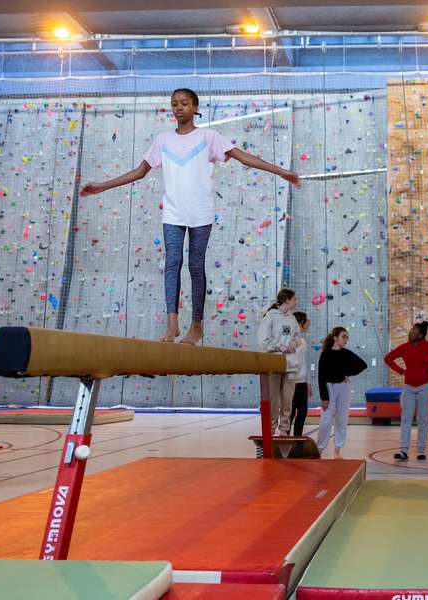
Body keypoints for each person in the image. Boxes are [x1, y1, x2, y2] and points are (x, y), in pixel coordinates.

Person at [80, 88, 301, 344]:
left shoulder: (208, 137)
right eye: (174, 104)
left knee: (196, 265)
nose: (178, 107)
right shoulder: (162, 140)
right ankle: (172, 321)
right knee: (172, 262)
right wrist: (101, 186)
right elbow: (139, 172)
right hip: (173, 211)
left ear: (195, 107)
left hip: (201, 212)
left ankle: (196, 325)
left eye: (184, 103)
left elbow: (244, 158)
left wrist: (282, 171)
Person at [384, 321, 428, 461]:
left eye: (413, 330)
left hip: (425, 387)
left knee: (422, 418)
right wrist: (401, 371)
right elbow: (388, 359)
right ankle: (403, 450)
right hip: (408, 387)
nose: (410, 332)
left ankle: (421, 450)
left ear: (420, 334)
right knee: (406, 418)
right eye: (411, 329)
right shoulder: (404, 347)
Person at [317, 327, 368, 458]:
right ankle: (320, 448)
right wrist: (324, 397)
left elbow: (363, 365)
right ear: (335, 338)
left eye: (347, 337)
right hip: (329, 388)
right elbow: (321, 377)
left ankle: (337, 450)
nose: (346, 340)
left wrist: (347, 373)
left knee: (342, 419)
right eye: (343, 336)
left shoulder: (346, 353)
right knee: (326, 421)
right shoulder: (325, 354)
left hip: (343, 388)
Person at [257, 289, 301, 437]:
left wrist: (295, 342)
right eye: (294, 299)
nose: (296, 302)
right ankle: (270, 428)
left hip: (290, 365)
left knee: (288, 401)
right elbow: (263, 342)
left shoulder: (292, 319)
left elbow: (297, 335)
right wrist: (279, 347)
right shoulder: (270, 316)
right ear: (287, 300)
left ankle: (284, 429)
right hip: (274, 363)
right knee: (273, 400)